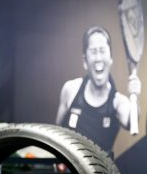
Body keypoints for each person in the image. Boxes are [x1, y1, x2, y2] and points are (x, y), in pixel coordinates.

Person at [56, 25, 141, 156]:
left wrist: (136, 96)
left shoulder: (118, 102)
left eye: (102, 51)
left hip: (100, 169)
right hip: (68, 166)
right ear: (85, 61)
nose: (98, 58)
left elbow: (131, 122)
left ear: (111, 58)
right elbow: (56, 133)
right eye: (93, 51)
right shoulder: (70, 90)